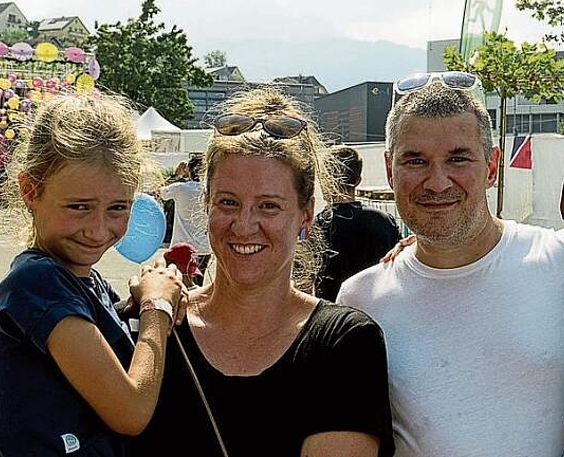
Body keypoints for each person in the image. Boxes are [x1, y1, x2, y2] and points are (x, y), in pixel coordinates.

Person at [135, 88, 395, 456]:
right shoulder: (156, 329)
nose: (244, 226)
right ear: (205, 203)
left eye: (268, 206)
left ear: (306, 215)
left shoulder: (343, 343)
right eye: (228, 202)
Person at [337, 73, 564, 456]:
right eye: (416, 161)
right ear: (390, 169)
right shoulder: (362, 299)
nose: (437, 182)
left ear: (491, 166)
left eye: (458, 158)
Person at [0, 93, 186, 456]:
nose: (98, 229)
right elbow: (130, 411)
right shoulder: (36, 283)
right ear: (31, 191)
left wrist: (131, 305)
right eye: (79, 207)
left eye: (118, 208)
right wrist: (155, 308)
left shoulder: (83, 282)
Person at [314, 145, 401, 302]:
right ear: (358, 180)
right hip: (379, 307)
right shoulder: (384, 220)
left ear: (325, 180)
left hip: (333, 314)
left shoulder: (318, 226)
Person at [159, 154, 211, 284]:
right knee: (197, 285)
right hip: (203, 248)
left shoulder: (180, 188)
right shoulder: (210, 191)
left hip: (180, 247)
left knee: (176, 284)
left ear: (188, 169)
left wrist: (176, 175)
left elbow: (161, 192)